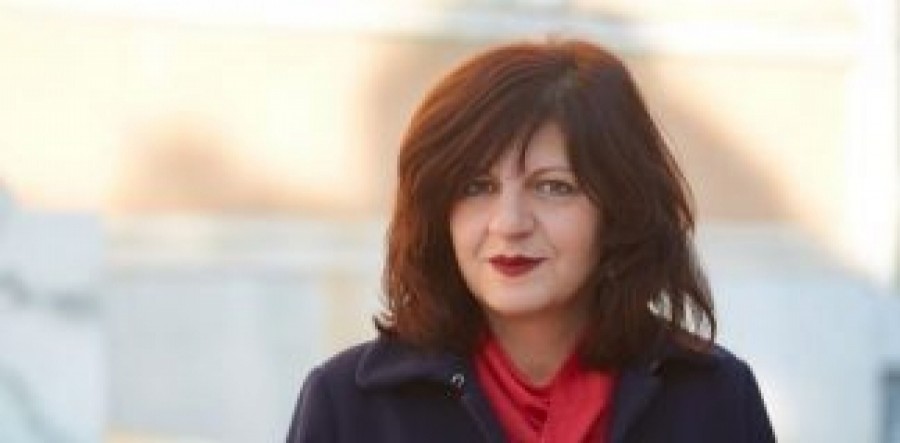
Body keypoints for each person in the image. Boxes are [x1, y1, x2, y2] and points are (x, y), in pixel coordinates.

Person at [286, 38, 776, 443]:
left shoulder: (714, 398)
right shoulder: (348, 406)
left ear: (620, 209)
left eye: (554, 187)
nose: (509, 223)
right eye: (477, 187)